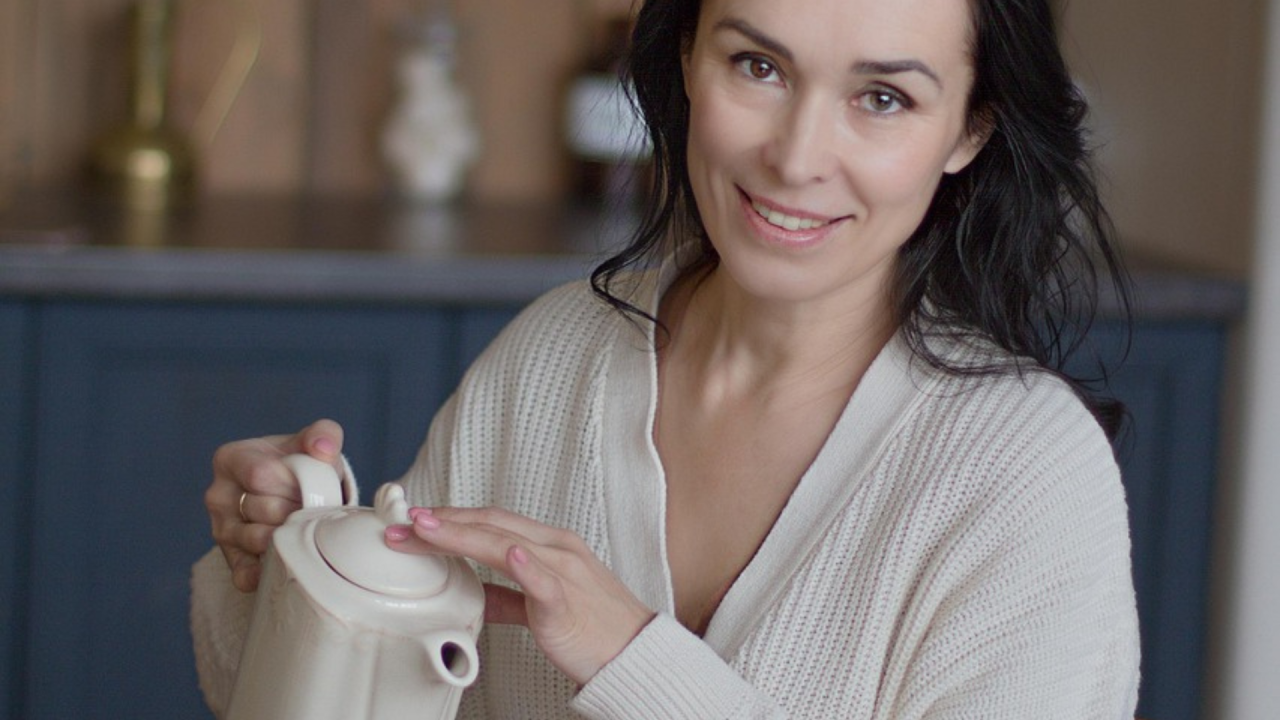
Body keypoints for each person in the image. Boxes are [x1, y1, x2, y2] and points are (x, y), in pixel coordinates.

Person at [192, 0, 1141, 716]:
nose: (798, 156)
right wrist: (289, 576)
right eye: (758, 65)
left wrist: (634, 661)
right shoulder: (551, 359)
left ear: (970, 128)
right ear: (687, 57)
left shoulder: (1027, 475)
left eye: (883, 97)